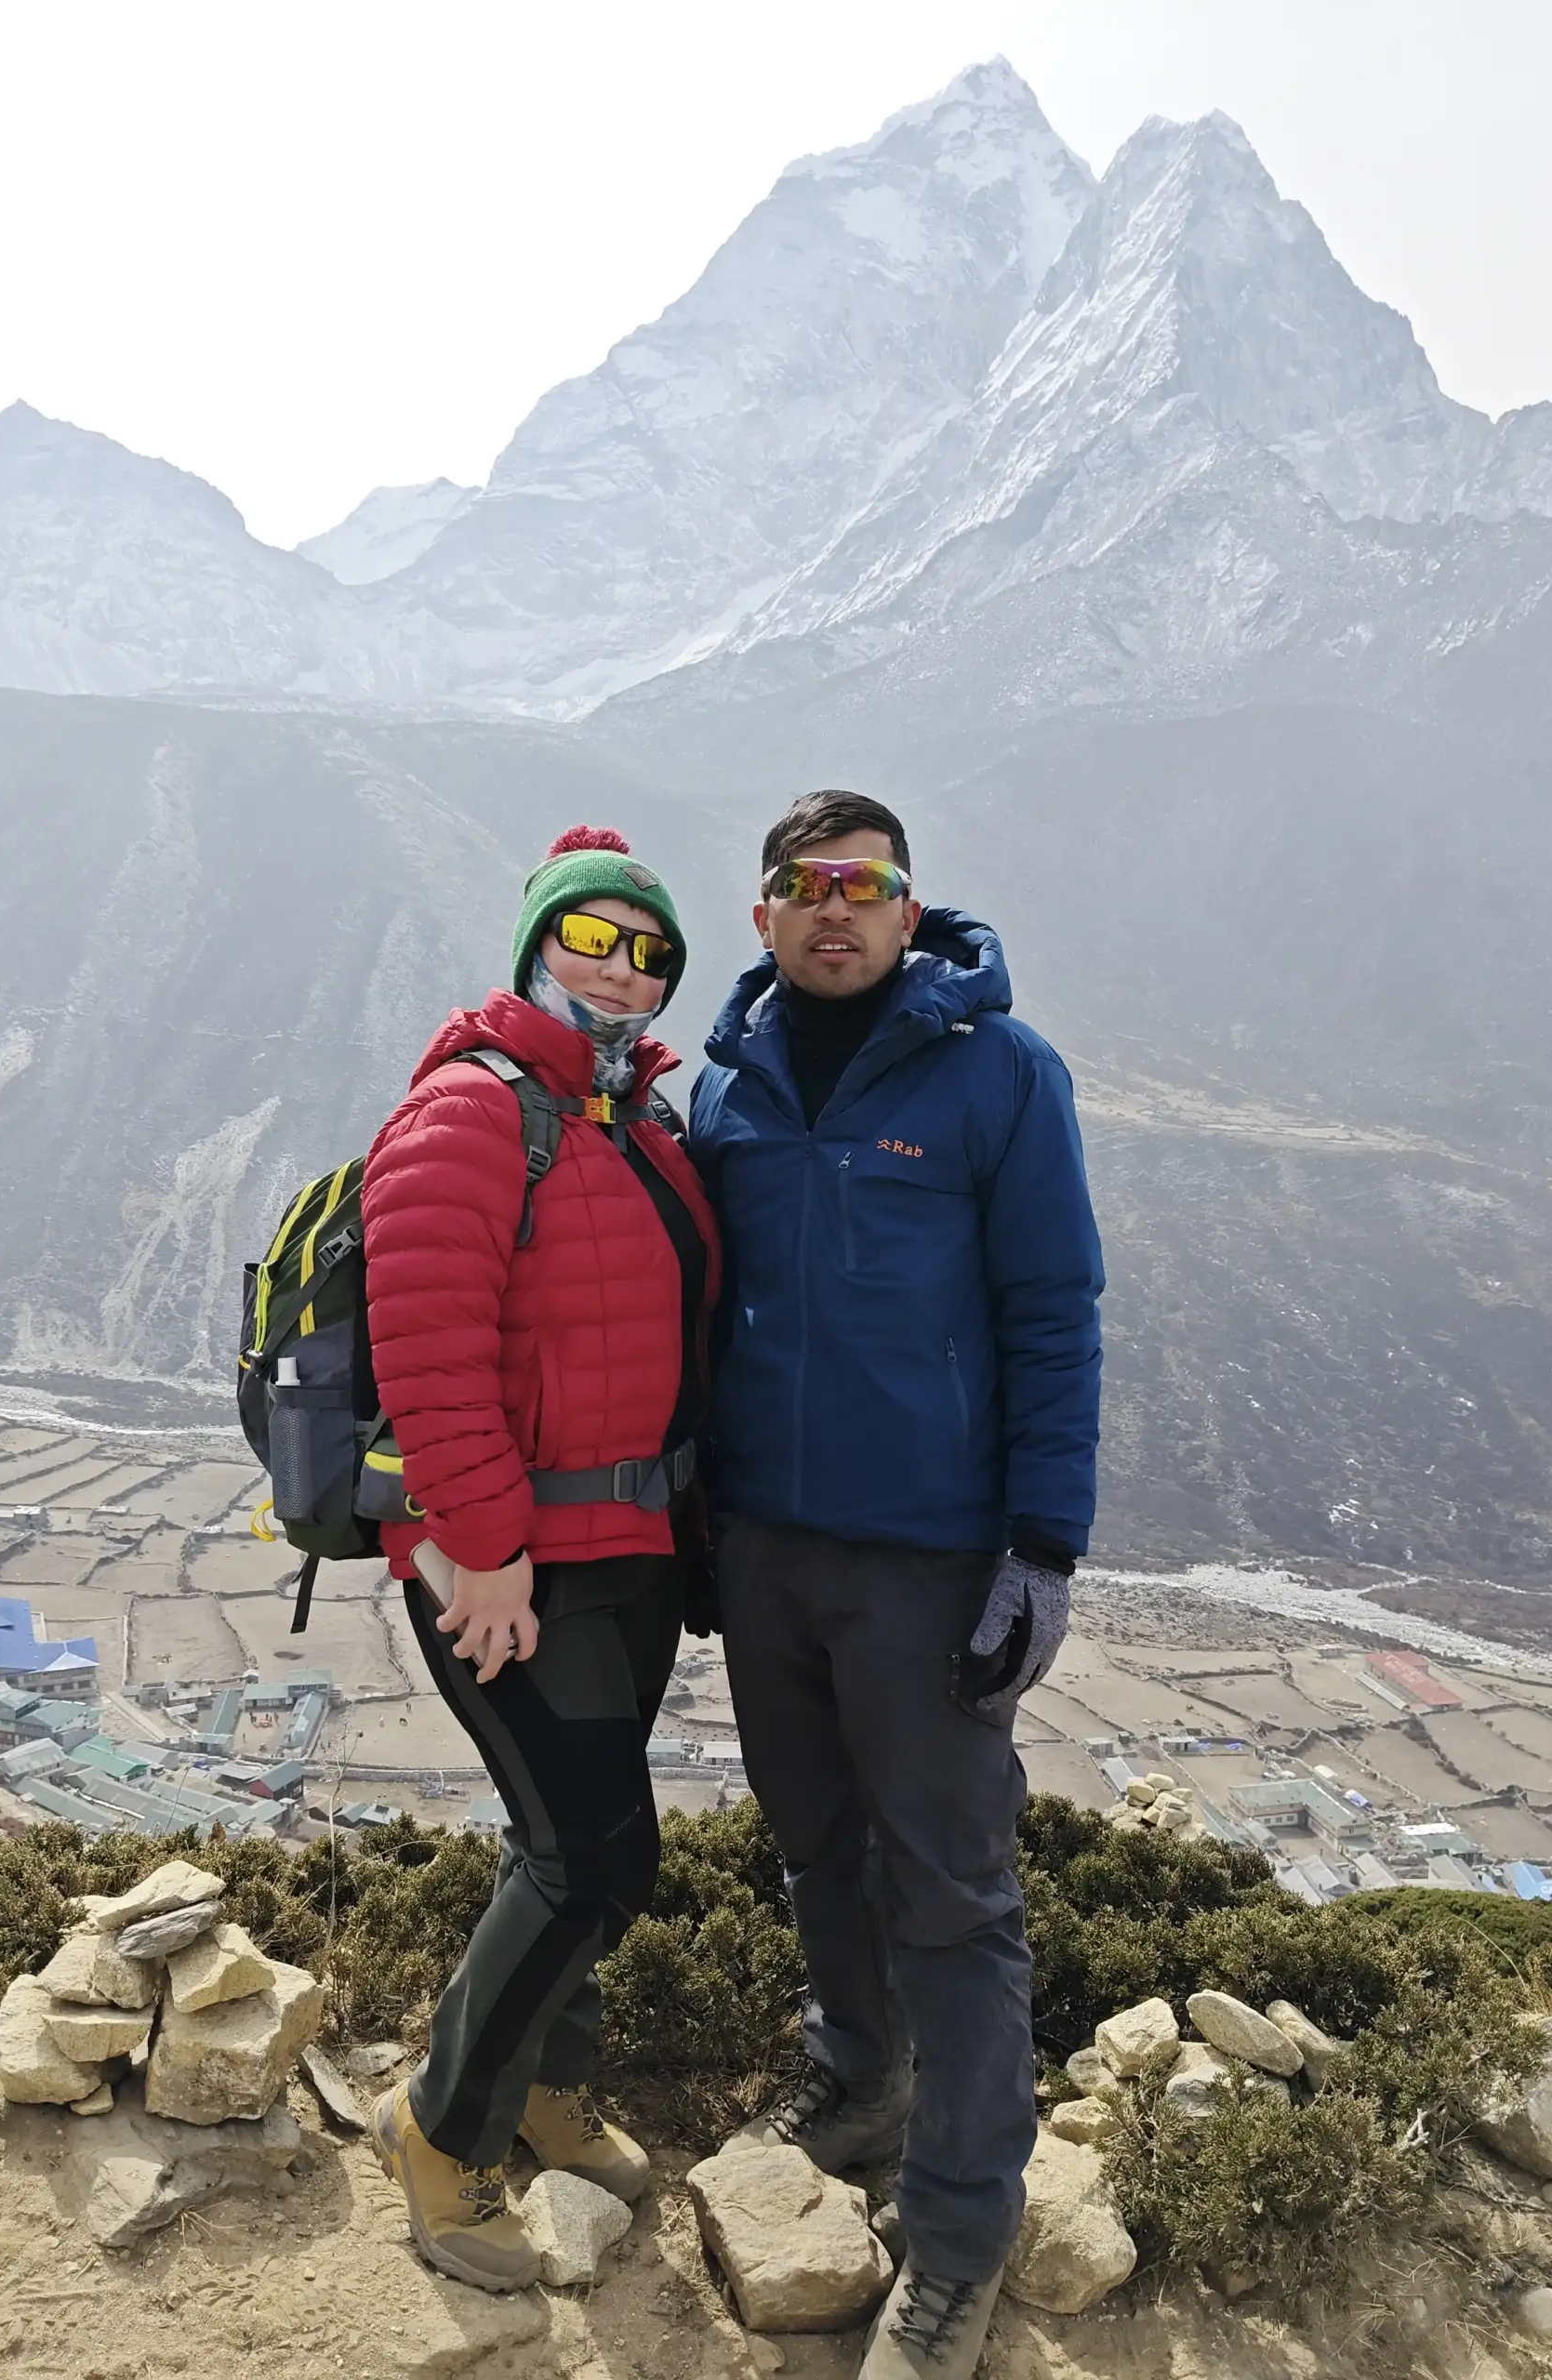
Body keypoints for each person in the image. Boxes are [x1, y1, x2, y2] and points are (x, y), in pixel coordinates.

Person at [688, 789, 1103, 2380]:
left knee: (951, 1895)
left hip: (933, 1558)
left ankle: (959, 2233)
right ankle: (861, 2078)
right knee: (813, 1848)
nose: (834, 912)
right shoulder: (727, 1087)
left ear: (911, 908)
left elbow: (1055, 1313)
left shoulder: (999, 1073)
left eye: (864, 886)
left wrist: (1042, 1546)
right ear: (765, 916)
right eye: (804, 888)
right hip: (768, 1551)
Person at [359, 825, 720, 2291]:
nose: (624, 970)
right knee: (592, 1860)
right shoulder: (471, 1112)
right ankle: (443, 2134)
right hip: (510, 1569)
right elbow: (427, 1352)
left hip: (626, 1550)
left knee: (581, 1847)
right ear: (534, 946)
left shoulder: (629, 1120)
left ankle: (546, 2090)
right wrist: (483, 1549)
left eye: (651, 952)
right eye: (594, 937)